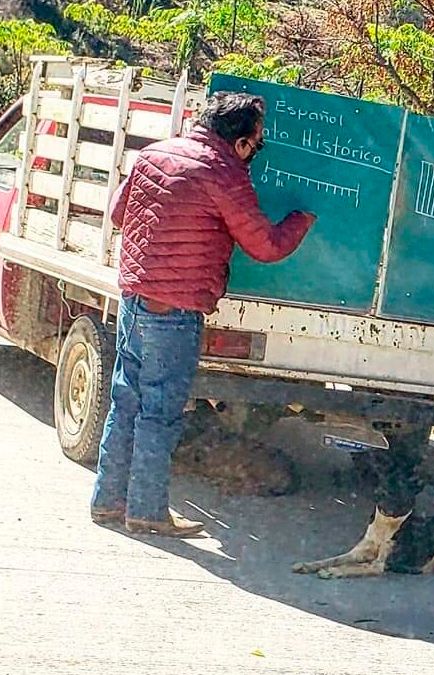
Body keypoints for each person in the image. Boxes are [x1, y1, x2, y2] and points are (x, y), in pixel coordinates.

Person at [89, 91, 316, 537]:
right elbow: (266, 246)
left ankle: (107, 501)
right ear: (241, 142)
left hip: (134, 297)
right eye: (257, 144)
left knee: (126, 402)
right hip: (176, 309)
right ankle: (148, 511)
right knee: (160, 412)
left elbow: (118, 214)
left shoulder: (153, 154)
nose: (255, 152)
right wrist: (301, 219)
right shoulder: (223, 174)